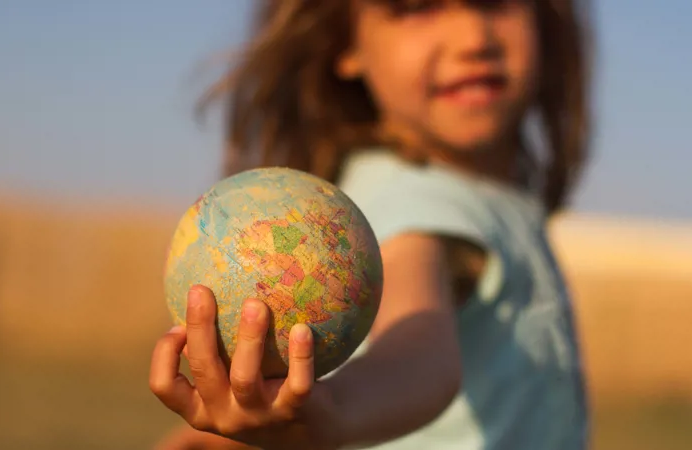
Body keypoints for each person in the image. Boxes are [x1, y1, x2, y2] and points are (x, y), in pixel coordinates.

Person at [149, 0, 594, 449]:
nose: (473, 38)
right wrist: (337, 408)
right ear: (345, 44)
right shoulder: (417, 200)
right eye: (417, 9)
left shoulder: (475, 194)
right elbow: (418, 352)